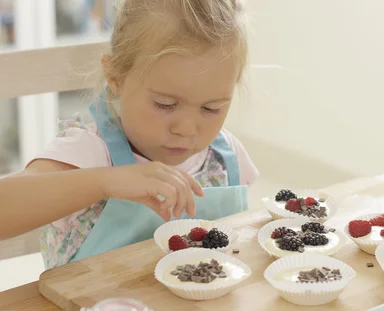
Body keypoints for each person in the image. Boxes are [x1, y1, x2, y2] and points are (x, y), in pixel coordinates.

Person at [0, 0, 258, 269]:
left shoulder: (225, 156)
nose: (187, 128)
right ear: (116, 77)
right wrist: (104, 182)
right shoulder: (89, 150)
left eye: (211, 108)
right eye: (165, 105)